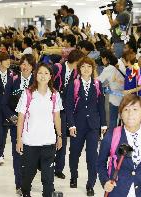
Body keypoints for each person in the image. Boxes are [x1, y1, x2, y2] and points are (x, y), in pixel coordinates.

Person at [98, 94, 141, 197]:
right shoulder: (111, 135)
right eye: (126, 110)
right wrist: (105, 181)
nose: (130, 114)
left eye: (135, 109)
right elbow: (100, 163)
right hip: (117, 191)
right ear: (121, 114)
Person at [16, 63, 63, 197]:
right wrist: (19, 139)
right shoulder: (28, 94)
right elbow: (21, 118)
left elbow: (57, 117)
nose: (43, 76)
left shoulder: (54, 95)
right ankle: (25, 192)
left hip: (48, 142)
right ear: (36, 75)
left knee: (48, 178)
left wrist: (59, 136)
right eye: (40, 73)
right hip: (30, 142)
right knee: (28, 175)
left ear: (50, 76)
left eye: (46, 73)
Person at [66, 56, 107, 196]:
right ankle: (73, 176)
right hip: (77, 124)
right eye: (83, 66)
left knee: (92, 156)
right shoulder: (74, 84)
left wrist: (103, 124)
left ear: (92, 68)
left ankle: (90, 184)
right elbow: (69, 106)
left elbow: (101, 105)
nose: (86, 69)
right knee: (74, 153)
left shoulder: (97, 84)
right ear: (79, 69)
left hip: (93, 126)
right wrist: (70, 124)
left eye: (89, 67)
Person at [2, 54, 35, 196]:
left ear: (33, 67)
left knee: (32, 156)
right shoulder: (13, 80)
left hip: (34, 126)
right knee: (18, 155)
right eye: (23, 63)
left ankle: (28, 181)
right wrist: (12, 117)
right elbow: (4, 103)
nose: (25, 66)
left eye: (28, 64)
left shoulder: (38, 80)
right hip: (16, 125)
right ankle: (19, 184)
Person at [53, 49, 85, 180]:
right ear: (76, 61)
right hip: (52, 105)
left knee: (63, 138)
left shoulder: (77, 73)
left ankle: (58, 168)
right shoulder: (57, 68)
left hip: (66, 108)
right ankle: (43, 162)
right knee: (49, 136)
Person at [97, 50, 125, 133]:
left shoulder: (108, 69)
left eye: (102, 59)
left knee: (113, 119)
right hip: (124, 96)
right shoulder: (117, 66)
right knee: (122, 120)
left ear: (105, 58)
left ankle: (112, 139)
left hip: (115, 98)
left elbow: (99, 81)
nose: (102, 61)